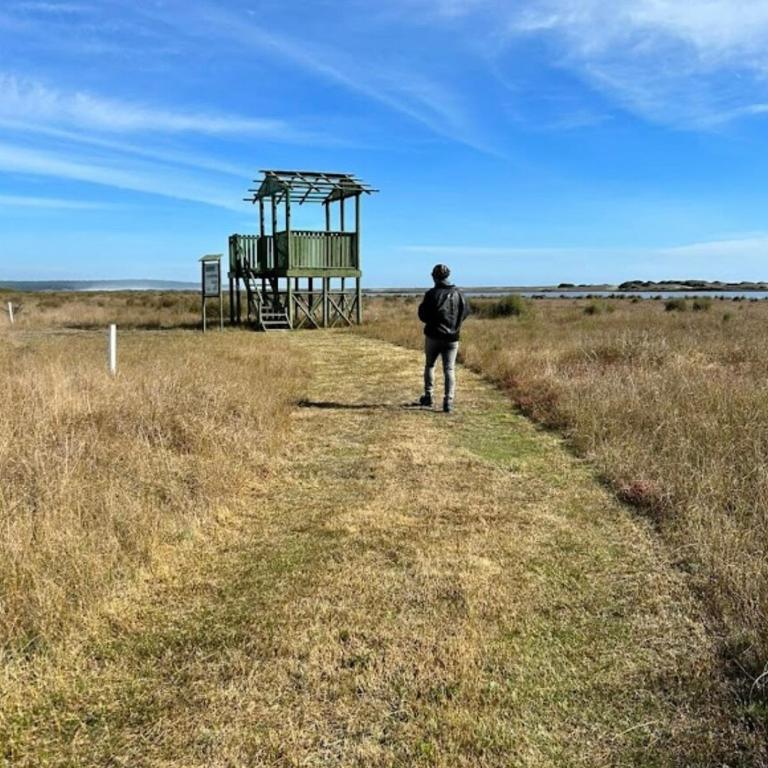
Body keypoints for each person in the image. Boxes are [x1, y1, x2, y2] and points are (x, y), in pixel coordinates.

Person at [417, 264, 470, 413]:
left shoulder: (431, 294)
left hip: (433, 335)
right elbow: (465, 312)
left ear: (434, 277)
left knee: (430, 365)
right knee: (449, 369)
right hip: (452, 337)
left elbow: (422, 315)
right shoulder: (459, 294)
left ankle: (428, 396)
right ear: (448, 276)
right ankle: (448, 401)